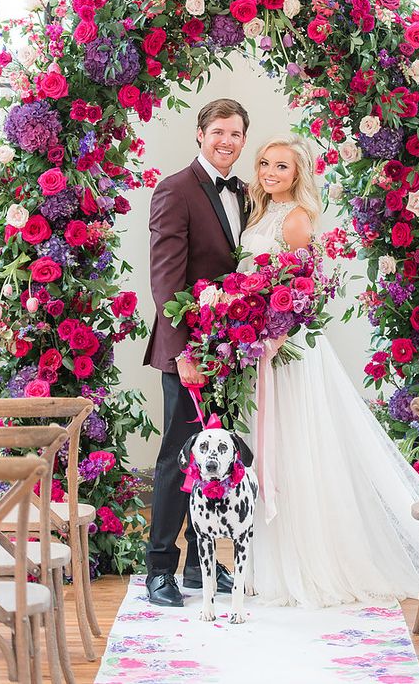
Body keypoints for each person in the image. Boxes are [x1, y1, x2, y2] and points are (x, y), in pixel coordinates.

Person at [238, 134, 419, 607]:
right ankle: (274, 563)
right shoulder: (258, 213)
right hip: (262, 342)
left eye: (281, 166)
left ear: (298, 173)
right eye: (264, 163)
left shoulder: (297, 219)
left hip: (289, 344)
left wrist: (277, 328)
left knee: (299, 441)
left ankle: (310, 561)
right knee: (273, 443)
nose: (270, 173)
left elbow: (307, 289)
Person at [143, 97, 250, 606]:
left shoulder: (246, 194)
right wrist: (184, 352)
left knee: (218, 457)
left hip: (231, 351)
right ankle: (159, 568)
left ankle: (195, 567)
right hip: (188, 351)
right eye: (218, 132)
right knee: (180, 456)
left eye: (236, 134)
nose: (227, 141)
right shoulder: (175, 190)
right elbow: (165, 282)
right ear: (200, 134)